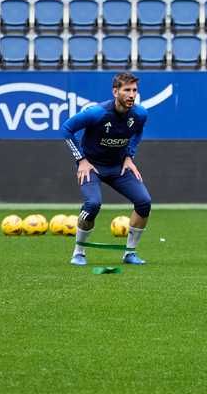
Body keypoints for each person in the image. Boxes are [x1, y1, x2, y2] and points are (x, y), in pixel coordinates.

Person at [62, 73, 151, 267]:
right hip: (92, 167)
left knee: (144, 202)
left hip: (118, 167)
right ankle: (79, 253)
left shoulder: (140, 114)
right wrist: (81, 160)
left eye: (134, 90)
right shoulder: (96, 113)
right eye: (127, 90)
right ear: (115, 92)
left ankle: (130, 253)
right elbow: (66, 129)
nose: (131, 95)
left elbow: (138, 131)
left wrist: (129, 156)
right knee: (92, 205)